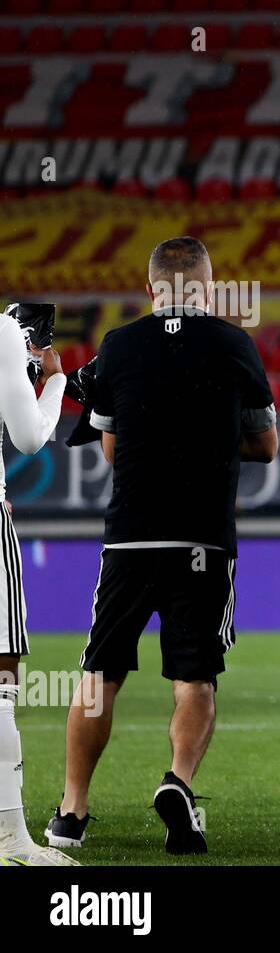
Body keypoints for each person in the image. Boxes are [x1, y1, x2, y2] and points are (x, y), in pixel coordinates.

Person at [47, 237, 278, 855]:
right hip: (203, 539)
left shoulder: (118, 347)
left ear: (152, 289)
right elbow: (267, 447)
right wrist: (210, 434)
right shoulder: (235, 345)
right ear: (207, 285)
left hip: (130, 539)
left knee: (100, 674)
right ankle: (177, 782)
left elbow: (114, 450)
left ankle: (71, 811)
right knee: (195, 679)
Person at [0, 307, 73, 866]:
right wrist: (53, 382)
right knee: (2, 680)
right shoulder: (2, 331)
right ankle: (10, 839)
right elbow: (29, 437)